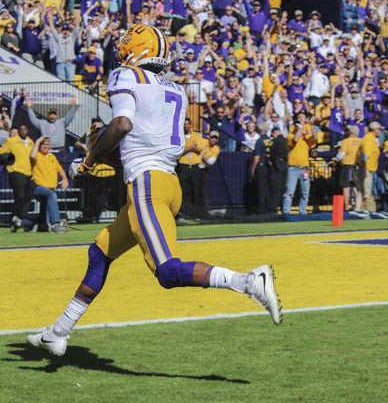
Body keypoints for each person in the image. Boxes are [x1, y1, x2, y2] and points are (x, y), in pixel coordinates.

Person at [27, 24, 281, 357]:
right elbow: (140, 148)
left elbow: (123, 125)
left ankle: (248, 282)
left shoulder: (125, 76)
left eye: (126, 45)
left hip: (147, 186)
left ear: (138, 49)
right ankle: (58, 332)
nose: (121, 51)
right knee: (99, 252)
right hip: (164, 184)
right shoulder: (175, 89)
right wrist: (104, 155)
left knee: (167, 271)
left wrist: (91, 157)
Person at [0, 124, 35, 231]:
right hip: (16, 171)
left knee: (29, 196)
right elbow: (1, 151)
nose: (23, 131)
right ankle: (15, 218)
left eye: (25, 129)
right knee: (20, 196)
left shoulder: (31, 142)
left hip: (28, 172)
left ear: (28, 130)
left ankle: (18, 219)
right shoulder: (11, 141)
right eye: (21, 129)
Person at [30, 136, 70, 233]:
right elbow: (32, 156)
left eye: (48, 144)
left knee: (44, 211)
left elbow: (60, 170)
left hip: (51, 189)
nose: (46, 146)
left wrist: (65, 179)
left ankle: (24, 223)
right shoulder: (37, 155)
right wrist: (38, 140)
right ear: (39, 145)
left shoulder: (52, 156)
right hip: (38, 188)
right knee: (51, 195)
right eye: (43, 144)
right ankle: (55, 224)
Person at [282, 112, 317, 215]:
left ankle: (302, 211)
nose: (299, 124)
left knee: (305, 193)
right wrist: (301, 126)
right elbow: (296, 139)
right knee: (289, 192)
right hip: (293, 168)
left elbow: (314, 139)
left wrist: (311, 126)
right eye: (298, 122)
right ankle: (286, 212)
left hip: (304, 168)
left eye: (302, 119)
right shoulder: (290, 135)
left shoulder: (306, 137)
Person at [335, 125, 362, 211]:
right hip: (358, 166)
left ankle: (347, 205)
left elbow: (341, 154)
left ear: (351, 132)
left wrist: (335, 161)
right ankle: (358, 206)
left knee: (346, 187)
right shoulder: (361, 141)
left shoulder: (346, 141)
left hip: (347, 166)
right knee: (356, 187)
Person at [267, 125, 288, 213]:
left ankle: (273, 208)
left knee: (275, 187)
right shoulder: (285, 140)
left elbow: (271, 152)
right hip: (284, 164)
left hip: (277, 165)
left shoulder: (275, 141)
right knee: (283, 188)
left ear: (274, 133)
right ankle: (283, 207)